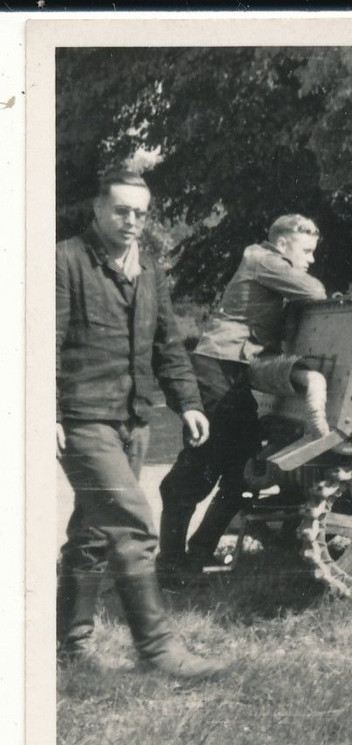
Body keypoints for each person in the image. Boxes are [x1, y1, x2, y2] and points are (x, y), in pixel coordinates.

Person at [56, 170, 225, 678]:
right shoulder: (64, 261)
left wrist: (189, 403)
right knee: (132, 526)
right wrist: (44, 409)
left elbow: (168, 345)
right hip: (84, 419)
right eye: (121, 210)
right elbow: (39, 338)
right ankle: (158, 652)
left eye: (141, 213)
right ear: (97, 210)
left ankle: (71, 646)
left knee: (92, 531)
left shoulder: (149, 269)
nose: (132, 221)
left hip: (134, 420)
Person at [157, 214, 330, 580]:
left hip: (234, 372)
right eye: (307, 250)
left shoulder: (266, 263)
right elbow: (315, 291)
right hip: (218, 368)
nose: (311, 259)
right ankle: (170, 566)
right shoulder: (263, 258)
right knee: (196, 472)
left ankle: (197, 555)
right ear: (283, 243)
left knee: (242, 473)